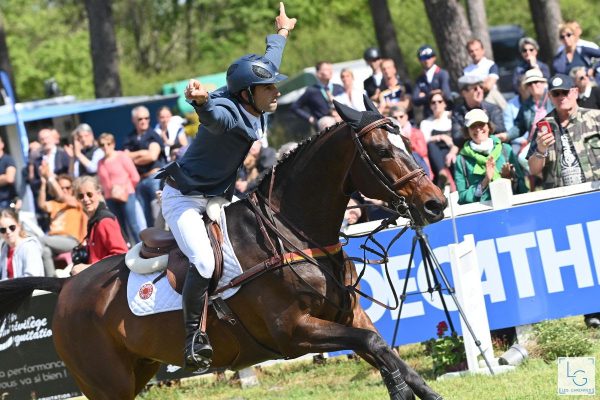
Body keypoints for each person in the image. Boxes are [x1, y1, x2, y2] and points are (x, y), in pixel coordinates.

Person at [157, 2, 296, 371]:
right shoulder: (228, 115)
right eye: (270, 88)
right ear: (249, 93)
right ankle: (191, 342)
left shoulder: (251, 95)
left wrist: (281, 32)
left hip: (217, 195)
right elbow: (212, 117)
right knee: (203, 261)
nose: (277, 91)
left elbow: (270, 61)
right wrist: (199, 102)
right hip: (184, 199)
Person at [526, 73, 600, 327]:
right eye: (556, 94)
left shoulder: (595, 118)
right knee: (578, 257)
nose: (561, 98)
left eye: (565, 92)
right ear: (550, 97)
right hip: (562, 201)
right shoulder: (544, 126)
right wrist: (541, 149)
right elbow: (534, 170)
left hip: (594, 195)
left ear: (576, 92)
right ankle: (591, 311)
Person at [454, 109, 527, 205]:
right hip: (481, 215)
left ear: (489, 127)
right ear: (467, 131)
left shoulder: (505, 150)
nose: (478, 129)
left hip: (511, 208)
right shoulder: (461, 160)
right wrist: (485, 181)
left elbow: (523, 189)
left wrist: (510, 178)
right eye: (473, 126)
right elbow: (462, 198)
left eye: (481, 124)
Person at [70, 176, 129, 275]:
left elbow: (120, 254)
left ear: (98, 193)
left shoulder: (104, 221)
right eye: (81, 196)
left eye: (89, 194)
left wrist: (88, 267)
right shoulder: (94, 221)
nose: (85, 199)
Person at [37, 171, 87, 277]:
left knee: (40, 240)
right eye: (61, 187)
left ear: (73, 189)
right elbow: (42, 204)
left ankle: (33, 275)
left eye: (67, 188)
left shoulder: (77, 202)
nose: (64, 190)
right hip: (53, 240)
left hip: (71, 241)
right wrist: (43, 184)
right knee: (45, 251)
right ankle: (52, 281)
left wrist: (51, 178)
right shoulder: (55, 204)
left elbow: (61, 196)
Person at [123, 105, 166, 227]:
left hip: (154, 178)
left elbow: (152, 156)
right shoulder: (129, 137)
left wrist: (133, 157)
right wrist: (142, 153)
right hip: (140, 181)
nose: (144, 121)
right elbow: (124, 157)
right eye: (140, 119)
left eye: (146, 118)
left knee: (160, 213)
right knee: (146, 218)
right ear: (134, 120)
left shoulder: (153, 135)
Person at [449, 75, 506, 166]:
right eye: (475, 88)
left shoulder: (492, 108)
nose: (479, 91)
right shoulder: (458, 112)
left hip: (494, 151)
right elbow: (456, 138)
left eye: (481, 87)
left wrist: (483, 120)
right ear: (464, 93)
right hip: (470, 155)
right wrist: (472, 123)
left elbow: (501, 129)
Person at [97, 133, 143, 244]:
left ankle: (142, 249)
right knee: (119, 227)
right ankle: (127, 251)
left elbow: (135, 177)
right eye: (102, 145)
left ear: (113, 144)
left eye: (108, 143)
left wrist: (126, 189)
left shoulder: (121, 156)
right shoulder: (100, 162)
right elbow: (101, 182)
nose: (106, 147)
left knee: (133, 224)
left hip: (127, 194)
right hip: (110, 198)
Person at [508, 69, 553, 158]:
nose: (533, 85)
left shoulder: (553, 98)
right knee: (521, 158)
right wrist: (506, 135)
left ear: (543, 83)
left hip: (553, 140)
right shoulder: (526, 105)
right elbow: (519, 127)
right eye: (529, 83)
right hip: (534, 142)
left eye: (536, 82)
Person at [420, 91, 457, 190]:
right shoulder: (426, 123)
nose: (436, 104)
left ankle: (448, 179)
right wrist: (440, 137)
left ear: (444, 103)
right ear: (430, 105)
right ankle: (442, 173)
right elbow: (424, 140)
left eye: (439, 101)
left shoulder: (451, 118)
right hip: (435, 154)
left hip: (452, 149)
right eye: (433, 102)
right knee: (432, 145)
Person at [291, 60, 343, 130]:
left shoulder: (338, 88)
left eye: (331, 69)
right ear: (318, 73)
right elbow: (295, 107)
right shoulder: (311, 91)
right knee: (327, 122)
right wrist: (310, 118)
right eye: (326, 69)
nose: (330, 71)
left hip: (341, 122)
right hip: (325, 126)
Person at [0, 208, 44, 280]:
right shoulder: (4, 248)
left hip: (28, 289)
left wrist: (6, 285)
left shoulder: (30, 247)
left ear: (19, 226)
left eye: (12, 227)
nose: (8, 232)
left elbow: (32, 278)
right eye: (3, 230)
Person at [463, 39, 506, 109]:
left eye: (477, 50)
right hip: (474, 100)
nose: (474, 53)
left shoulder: (491, 65)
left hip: (490, 97)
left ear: (483, 50)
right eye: (471, 51)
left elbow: (488, 86)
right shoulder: (466, 71)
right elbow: (466, 90)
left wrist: (473, 84)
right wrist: (483, 81)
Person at [412, 45, 451, 118]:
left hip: (444, 115)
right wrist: (432, 94)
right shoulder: (420, 78)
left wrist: (424, 96)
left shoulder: (442, 74)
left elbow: (446, 95)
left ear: (434, 57)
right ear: (420, 60)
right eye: (423, 58)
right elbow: (415, 100)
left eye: (429, 57)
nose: (426, 61)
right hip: (428, 116)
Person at [0, 136, 17, 209]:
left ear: (2, 144)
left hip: (7, 201)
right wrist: (3, 177)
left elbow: (9, 178)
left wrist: (6, 177)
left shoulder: (8, 159)